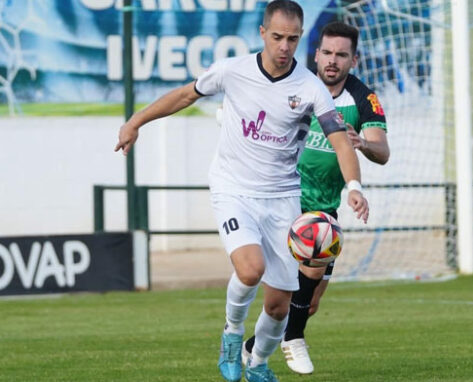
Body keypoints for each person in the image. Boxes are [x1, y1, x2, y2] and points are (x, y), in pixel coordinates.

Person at [115, 2, 369, 381]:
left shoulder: (311, 88)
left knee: (280, 305)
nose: (285, 47)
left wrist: (353, 186)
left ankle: (259, 364)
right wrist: (136, 121)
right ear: (263, 33)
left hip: (283, 197)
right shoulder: (232, 71)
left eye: (293, 39)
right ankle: (232, 335)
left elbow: (340, 140)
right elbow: (186, 95)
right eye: (278, 37)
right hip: (233, 188)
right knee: (251, 270)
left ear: (301, 40)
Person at [243, 21, 389, 375]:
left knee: (306, 304)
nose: (332, 61)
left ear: (354, 60)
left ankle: (251, 348)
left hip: (325, 203)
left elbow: (382, 151)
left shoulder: (362, 98)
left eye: (341, 55)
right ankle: (292, 339)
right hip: (286, 197)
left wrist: (362, 143)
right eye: (326, 53)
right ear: (317, 54)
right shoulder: (298, 87)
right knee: (288, 293)